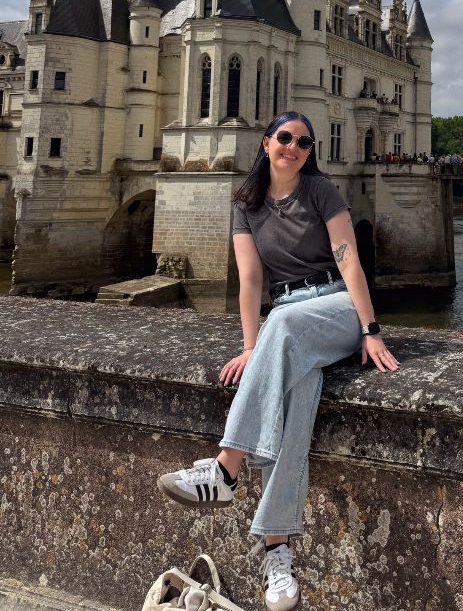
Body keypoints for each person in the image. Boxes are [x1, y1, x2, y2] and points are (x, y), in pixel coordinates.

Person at [158, 111, 398, 610]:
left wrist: (370, 328)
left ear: (310, 152)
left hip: (336, 307)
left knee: (283, 327)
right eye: (285, 138)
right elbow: (249, 280)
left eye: (304, 142)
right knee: (296, 400)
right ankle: (277, 552)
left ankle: (224, 469)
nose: (293, 147)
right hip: (288, 314)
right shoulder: (245, 205)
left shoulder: (321, 191)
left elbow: (349, 259)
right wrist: (251, 347)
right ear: (266, 143)